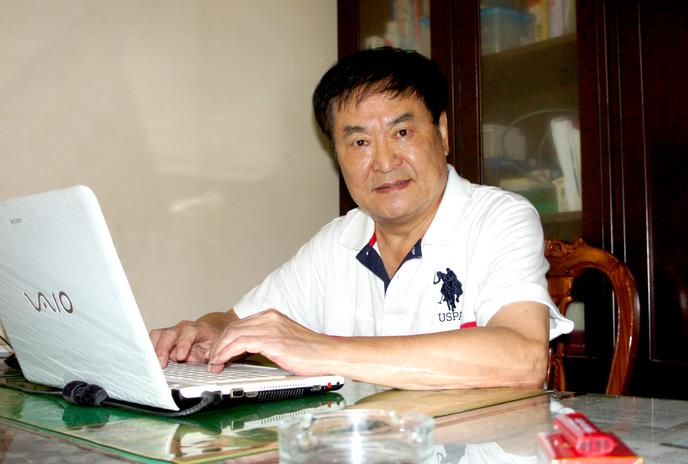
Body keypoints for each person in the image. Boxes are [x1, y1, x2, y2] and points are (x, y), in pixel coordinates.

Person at [150, 47, 573, 390]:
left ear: (442, 133)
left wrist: (320, 350)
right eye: (359, 142)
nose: (384, 162)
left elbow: (522, 359)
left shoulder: (498, 218)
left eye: (402, 133)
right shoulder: (338, 239)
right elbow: (238, 320)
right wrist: (207, 331)